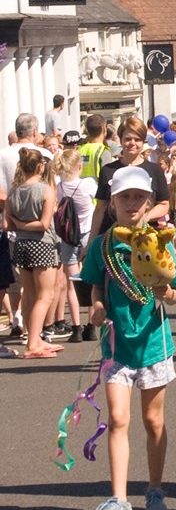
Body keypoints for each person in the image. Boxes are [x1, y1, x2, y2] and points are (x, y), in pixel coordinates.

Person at [84, 166, 176, 510]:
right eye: (124, 197)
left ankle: (155, 489)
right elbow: (95, 286)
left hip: (154, 344)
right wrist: (97, 306)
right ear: (112, 203)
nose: (131, 203)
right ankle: (119, 499)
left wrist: (166, 293)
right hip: (117, 346)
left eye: (138, 197)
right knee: (118, 419)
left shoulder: (160, 242)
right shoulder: (102, 246)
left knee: (153, 421)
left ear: (149, 202)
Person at [5, 147, 62, 358]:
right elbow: (44, 224)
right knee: (45, 295)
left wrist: (19, 224)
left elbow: (6, 224)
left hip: (21, 244)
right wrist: (24, 224)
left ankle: (33, 338)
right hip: (42, 244)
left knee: (29, 294)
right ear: (40, 166)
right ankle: (33, 344)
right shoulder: (46, 190)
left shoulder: (14, 191)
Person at [87, 117, 170, 243]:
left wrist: (145, 217)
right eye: (128, 139)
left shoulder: (155, 170)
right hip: (112, 239)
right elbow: (100, 209)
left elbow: (164, 204)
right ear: (120, 140)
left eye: (137, 139)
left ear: (143, 141)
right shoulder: (108, 170)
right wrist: (91, 241)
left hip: (145, 240)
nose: (132, 143)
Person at [53, 150, 97, 344]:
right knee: (91, 280)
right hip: (88, 234)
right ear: (79, 166)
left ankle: (76, 328)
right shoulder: (87, 184)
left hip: (68, 237)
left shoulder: (59, 186)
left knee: (72, 283)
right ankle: (91, 325)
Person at [79, 114, 112, 182]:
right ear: (103, 128)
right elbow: (108, 177)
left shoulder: (79, 149)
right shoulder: (103, 151)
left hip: (79, 187)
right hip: (97, 187)